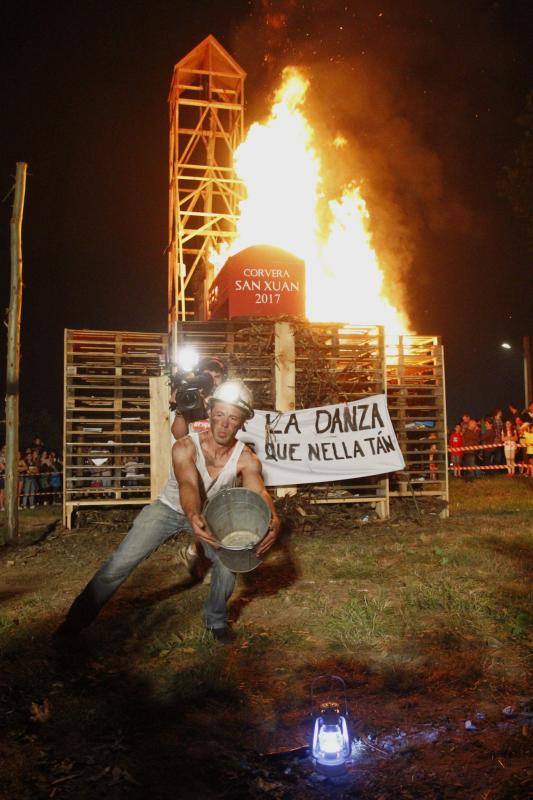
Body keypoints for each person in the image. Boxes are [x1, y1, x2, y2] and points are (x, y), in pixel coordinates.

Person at [55, 380, 281, 645]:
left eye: (233, 418)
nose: (224, 424)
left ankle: (216, 620)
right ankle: (73, 624)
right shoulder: (185, 446)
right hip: (171, 508)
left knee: (228, 559)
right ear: (209, 413)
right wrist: (193, 515)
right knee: (119, 563)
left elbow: (260, 492)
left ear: (242, 422)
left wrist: (274, 519)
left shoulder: (246, 457)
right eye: (219, 414)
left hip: (213, 515)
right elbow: (188, 484)